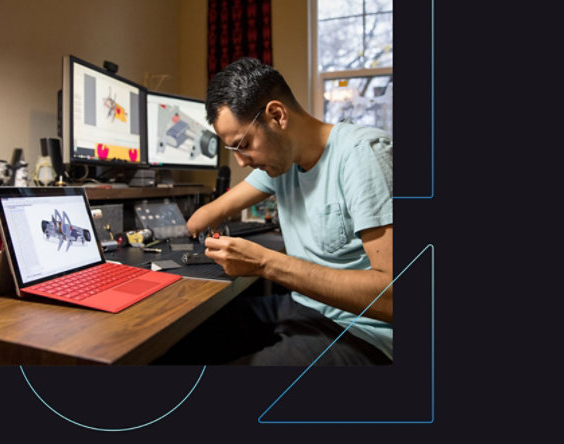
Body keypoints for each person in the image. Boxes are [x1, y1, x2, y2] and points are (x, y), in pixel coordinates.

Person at [160, 57, 393, 366]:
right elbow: (205, 216)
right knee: (183, 339)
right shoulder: (281, 164)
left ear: (277, 116)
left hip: (364, 332)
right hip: (305, 308)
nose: (241, 161)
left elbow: (392, 297)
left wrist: (265, 262)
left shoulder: (364, 155)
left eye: (243, 144)